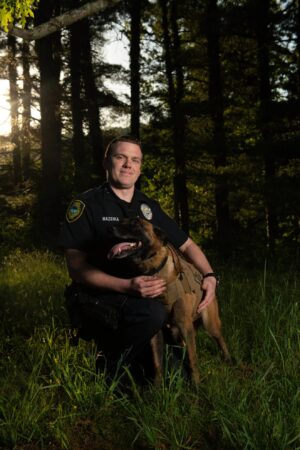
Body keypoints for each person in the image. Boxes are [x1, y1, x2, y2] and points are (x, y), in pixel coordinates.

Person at [58, 135, 218, 381]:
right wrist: (127, 286)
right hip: (99, 295)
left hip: (140, 293)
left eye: (135, 160)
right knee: (154, 315)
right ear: (106, 163)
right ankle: (108, 364)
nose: (127, 165)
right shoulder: (86, 205)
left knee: (174, 371)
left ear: (140, 167)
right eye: (120, 157)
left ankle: (138, 354)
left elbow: (187, 245)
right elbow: (77, 269)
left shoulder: (148, 207)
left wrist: (209, 276)